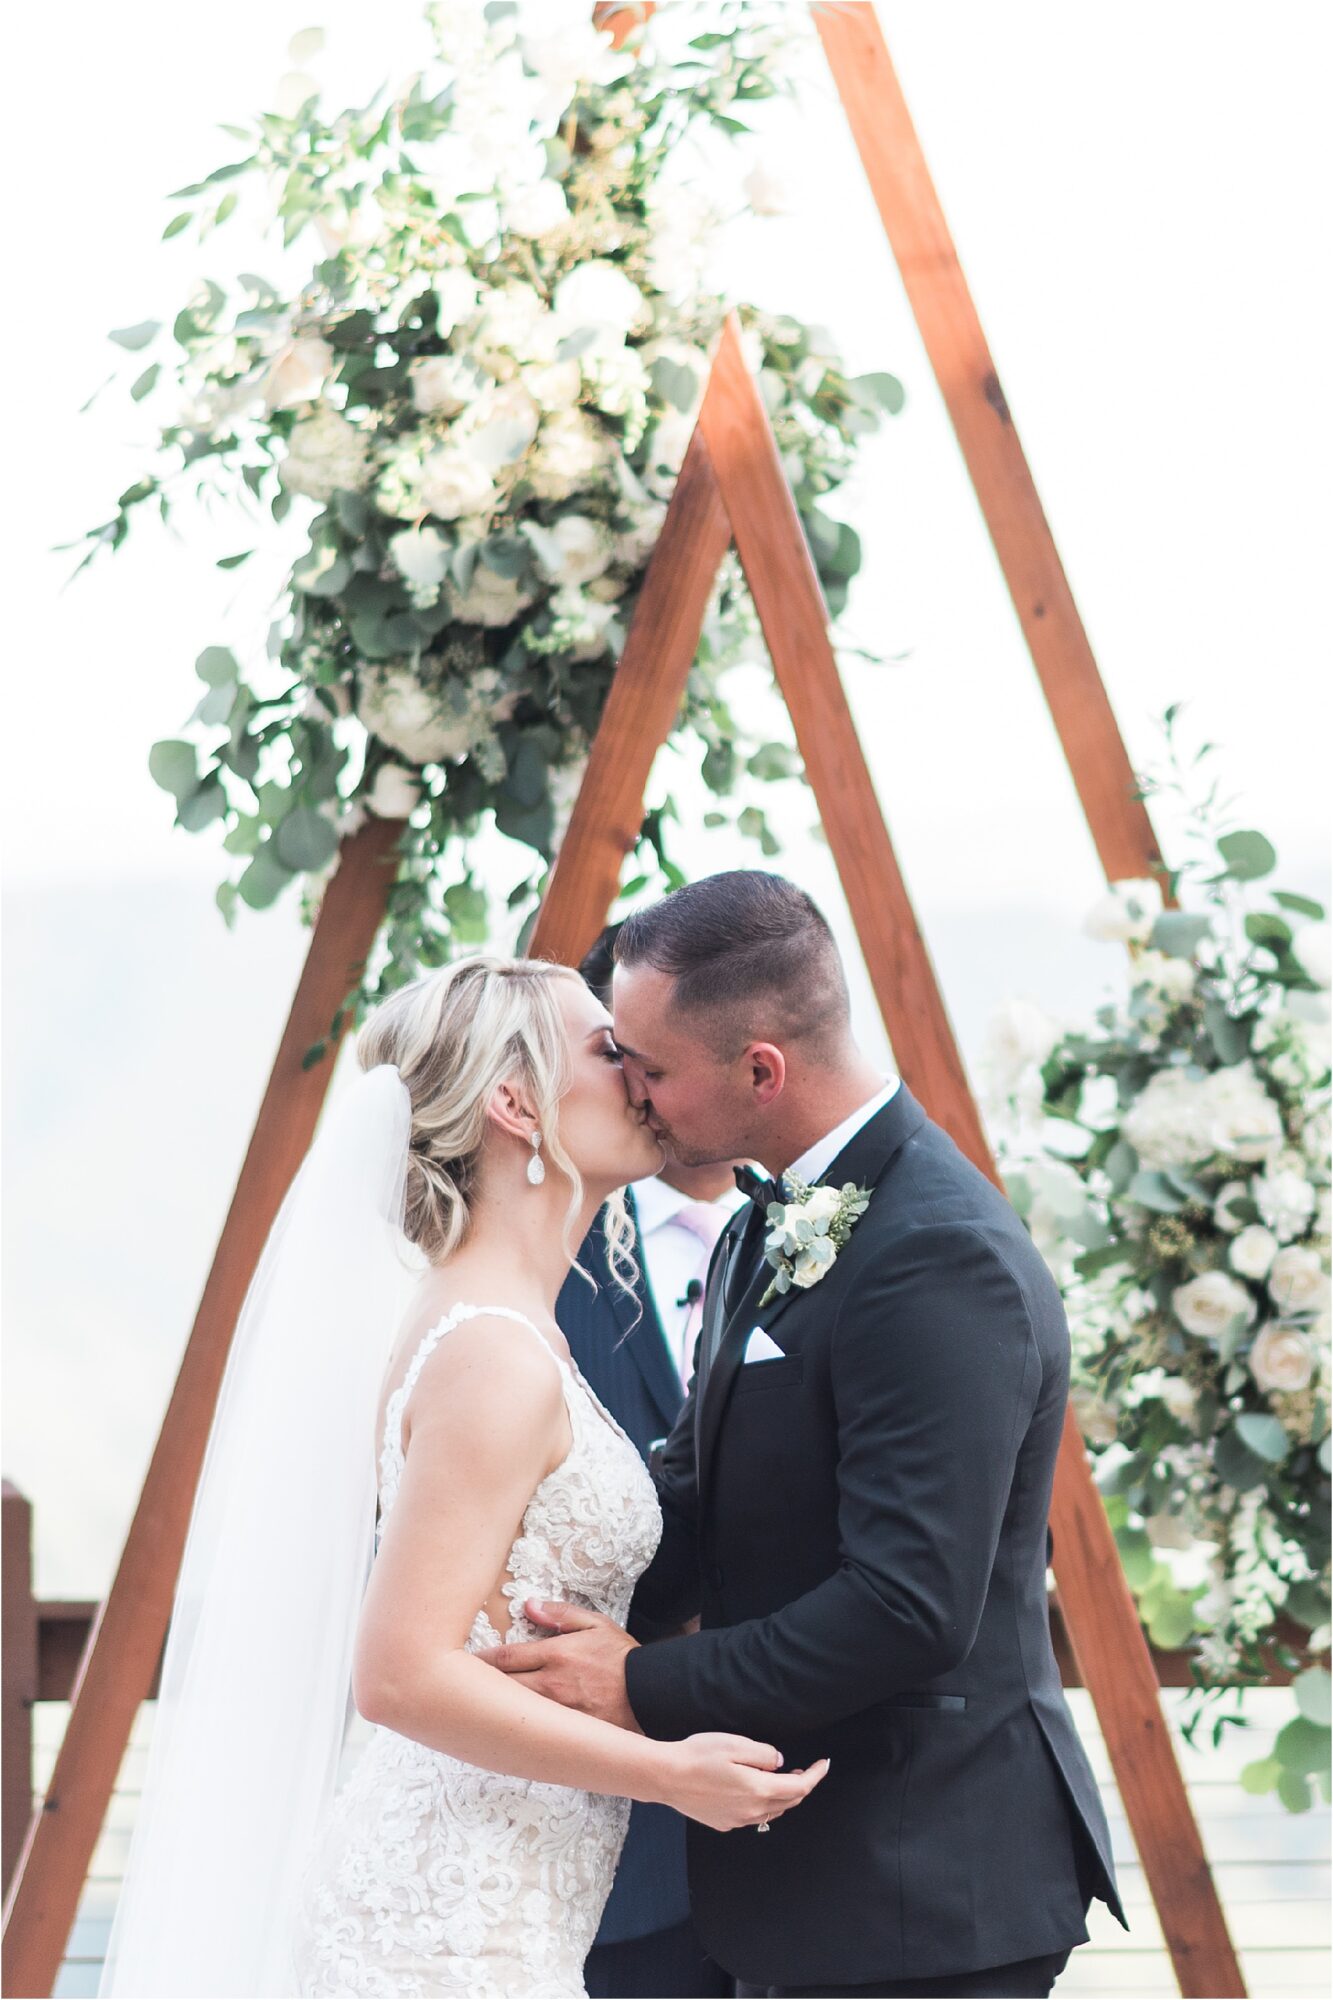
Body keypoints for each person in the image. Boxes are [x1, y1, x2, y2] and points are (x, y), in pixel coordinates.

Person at [99, 953, 828, 2000]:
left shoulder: (513, 1326)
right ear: (515, 1101)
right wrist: (670, 1770)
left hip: (505, 1899)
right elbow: (399, 1672)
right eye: (606, 1047)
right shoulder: (493, 1353)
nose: (638, 1073)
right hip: (444, 1921)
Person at [478, 873, 1128, 2000]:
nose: (632, 1092)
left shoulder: (937, 1253)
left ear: (759, 1070)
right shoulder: (767, 1222)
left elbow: (906, 1602)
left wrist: (643, 1684)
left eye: (650, 1065)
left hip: (923, 1889)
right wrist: (523, 1602)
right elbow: (699, 1486)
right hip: (803, 1888)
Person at [557, 925, 745, 1998]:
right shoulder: (532, 1269)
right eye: (616, 1054)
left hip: (818, 1848)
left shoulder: (835, 1243)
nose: (637, 1086)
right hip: (610, 1863)